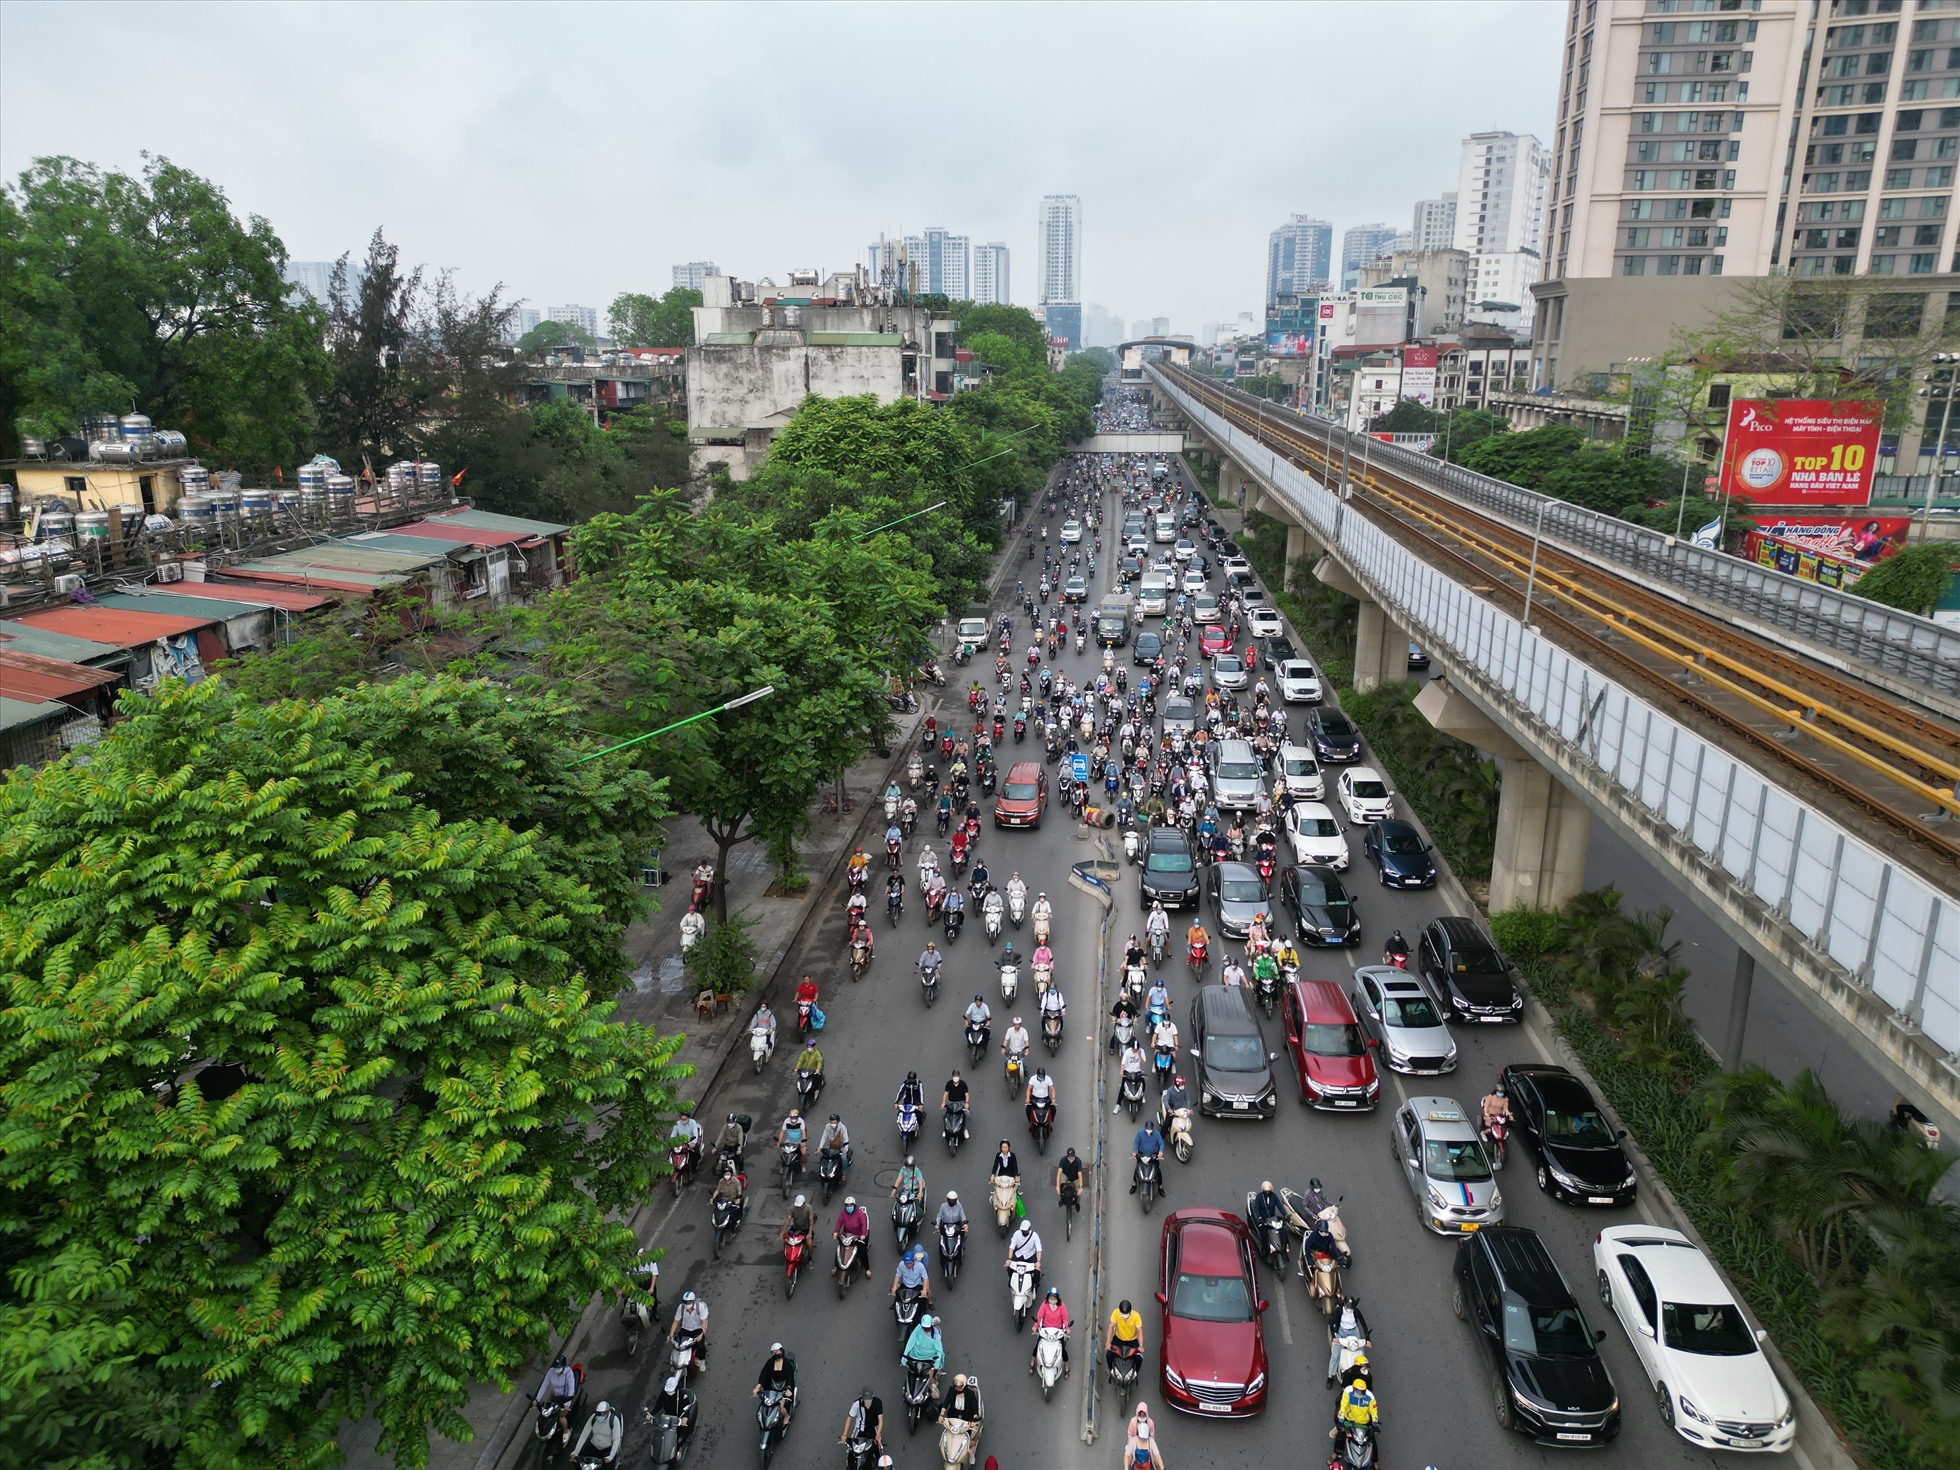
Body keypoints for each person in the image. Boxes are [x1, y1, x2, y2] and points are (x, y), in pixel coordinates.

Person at [1327, 1296, 1374, 1390]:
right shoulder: (1339, 1311)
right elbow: (1331, 1323)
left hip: (1354, 1332)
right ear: (1344, 1306)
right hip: (1342, 1332)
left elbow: (1363, 1324)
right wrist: (1333, 1338)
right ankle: (1330, 1376)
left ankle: (1361, 1373)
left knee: (1362, 1355)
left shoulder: (1356, 1312)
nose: (1349, 1310)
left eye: (1351, 1308)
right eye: (1348, 1308)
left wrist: (1367, 1339)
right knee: (1335, 1355)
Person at [753, 1343, 798, 1428]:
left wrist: (788, 1388)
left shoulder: (787, 1363)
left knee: (780, 1408)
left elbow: (790, 1377)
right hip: (772, 1388)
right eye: (773, 1353)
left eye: (776, 1352)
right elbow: (764, 1374)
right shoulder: (770, 1362)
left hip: (783, 1389)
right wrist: (757, 1387)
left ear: (781, 1351)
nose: (774, 1354)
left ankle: (786, 1417)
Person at [571, 1398, 625, 1466]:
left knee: (608, 1467)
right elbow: (584, 1435)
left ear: (607, 1412)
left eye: (602, 1414)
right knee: (578, 1461)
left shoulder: (614, 1420)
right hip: (594, 1446)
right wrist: (575, 1452)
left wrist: (611, 1456)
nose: (599, 1416)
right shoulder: (593, 1418)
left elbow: (616, 1439)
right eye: (598, 1414)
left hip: (607, 1449)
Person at [903, 1311, 946, 1394]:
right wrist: (904, 1355)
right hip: (914, 1356)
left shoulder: (936, 1335)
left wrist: (936, 1363)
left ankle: (933, 1385)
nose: (925, 1330)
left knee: (929, 1377)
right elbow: (911, 1341)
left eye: (928, 1328)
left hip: (929, 1359)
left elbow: (939, 1350)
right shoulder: (918, 1329)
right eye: (924, 1328)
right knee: (912, 1373)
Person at [938, 1373, 984, 1451]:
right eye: (955, 1386)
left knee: (970, 1440)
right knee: (949, 1436)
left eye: (959, 1387)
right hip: (953, 1417)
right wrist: (941, 1415)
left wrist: (974, 1419)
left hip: (966, 1420)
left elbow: (975, 1409)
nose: (957, 1389)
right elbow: (946, 1403)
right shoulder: (951, 1390)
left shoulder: (970, 1394)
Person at [668, 1290, 710, 1370]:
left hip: (697, 1328)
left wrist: (701, 1334)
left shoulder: (700, 1307)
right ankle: (675, 1362)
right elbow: (676, 1322)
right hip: (685, 1329)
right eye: (685, 1302)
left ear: (693, 1301)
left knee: (700, 1345)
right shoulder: (681, 1308)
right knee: (677, 1344)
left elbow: (704, 1321)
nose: (687, 1304)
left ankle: (702, 1360)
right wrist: (671, 1335)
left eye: (688, 1302)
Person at [839, 1386, 885, 1458]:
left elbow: (880, 1420)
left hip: (873, 1428)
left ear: (873, 1397)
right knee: (852, 1448)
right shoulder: (857, 1404)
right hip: (860, 1428)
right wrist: (844, 1434)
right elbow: (849, 1418)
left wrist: (878, 1435)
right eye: (866, 1400)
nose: (867, 1403)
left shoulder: (878, 1402)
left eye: (869, 1400)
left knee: (877, 1447)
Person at [1106, 1299, 1145, 1374]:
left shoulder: (1136, 1316)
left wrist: (1140, 1346)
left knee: (1139, 1358)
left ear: (1130, 1311)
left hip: (1132, 1341)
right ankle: (1111, 1370)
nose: (1124, 1316)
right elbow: (1111, 1327)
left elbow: (1139, 1331)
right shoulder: (1116, 1313)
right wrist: (1108, 1342)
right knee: (1109, 1355)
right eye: (1122, 1314)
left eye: (1126, 1314)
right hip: (1118, 1339)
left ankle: (1135, 1373)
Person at [1334, 1375, 1379, 1440]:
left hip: (1363, 1422)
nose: (1359, 1394)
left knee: (1371, 1439)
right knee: (1341, 1436)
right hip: (1350, 1419)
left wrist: (1375, 1423)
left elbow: (1374, 1411)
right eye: (1357, 1391)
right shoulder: (1348, 1392)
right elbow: (1343, 1406)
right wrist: (1341, 1420)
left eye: (1361, 1392)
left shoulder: (1370, 1397)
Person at [1007, 1215, 1044, 1292]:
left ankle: (1035, 1285)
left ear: (1029, 1229)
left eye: (1025, 1231)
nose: (1024, 1232)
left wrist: (1038, 1262)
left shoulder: (1034, 1236)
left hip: (1030, 1256)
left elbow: (1039, 1249)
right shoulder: (1017, 1234)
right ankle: (1012, 1280)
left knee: (1037, 1271)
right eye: (1023, 1231)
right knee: (1009, 1268)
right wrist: (1009, 1259)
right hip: (1018, 1255)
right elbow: (1012, 1246)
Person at [834, 1195, 871, 1271]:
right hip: (846, 1235)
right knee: (839, 1250)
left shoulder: (859, 1213)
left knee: (862, 1251)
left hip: (857, 1236)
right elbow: (839, 1222)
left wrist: (863, 1234)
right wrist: (836, 1231)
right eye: (847, 1205)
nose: (848, 1207)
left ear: (854, 1205)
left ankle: (867, 1269)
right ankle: (835, 1266)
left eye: (850, 1205)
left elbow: (863, 1224)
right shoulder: (843, 1213)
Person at [1125, 1402, 1165, 1470]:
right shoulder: (1133, 1440)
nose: (1142, 1417)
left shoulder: (1151, 1440)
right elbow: (1126, 1455)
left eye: (1143, 1415)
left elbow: (1158, 1456)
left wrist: (1162, 1468)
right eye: (1140, 1415)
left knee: (1154, 1460)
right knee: (1129, 1457)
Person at [892, 1240, 933, 1308]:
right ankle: (895, 1304)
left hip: (917, 1283)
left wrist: (925, 1288)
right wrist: (894, 1286)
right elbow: (898, 1275)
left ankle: (930, 1302)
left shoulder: (921, 1264)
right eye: (906, 1263)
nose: (907, 1265)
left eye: (909, 1263)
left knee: (927, 1290)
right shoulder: (901, 1265)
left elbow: (925, 1277)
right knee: (897, 1293)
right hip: (905, 1284)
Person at [1130, 1118, 1165, 1195]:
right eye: (1147, 1130)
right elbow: (1136, 1142)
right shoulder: (1140, 1133)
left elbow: (1161, 1143)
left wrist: (1160, 1152)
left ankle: (1160, 1186)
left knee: (1158, 1170)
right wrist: (1134, 1151)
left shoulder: (1157, 1134)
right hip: (1142, 1154)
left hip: (1153, 1154)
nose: (1149, 1131)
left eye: (1150, 1130)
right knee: (1137, 1169)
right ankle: (1134, 1184)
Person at [1055, 1145, 1085, 1210]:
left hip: (1075, 1178)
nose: (1071, 1158)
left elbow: (1080, 1174)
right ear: (1067, 1156)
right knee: (1060, 1186)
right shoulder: (1062, 1160)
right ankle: (1061, 1199)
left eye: (1072, 1157)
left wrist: (1081, 1187)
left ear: (1075, 1156)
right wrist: (1057, 1186)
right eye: (1069, 1157)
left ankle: (1077, 1203)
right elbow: (1059, 1172)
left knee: (1079, 1192)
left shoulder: (1078, 1161)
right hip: (1066, 1177)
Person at [777, 1109, 807, 1174]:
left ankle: (803, 1165)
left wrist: (803, 1142)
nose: (793, 1119)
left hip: (799, 1140)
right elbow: (782, 1131)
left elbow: (803, 1132)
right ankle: (783, 1166)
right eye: (791, 1117)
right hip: (789, 1140)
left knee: (803, 1154)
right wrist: (779, 1141)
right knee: (782, 1153)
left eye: (795, 1117)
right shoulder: (786, 1121)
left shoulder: (801, 1121)